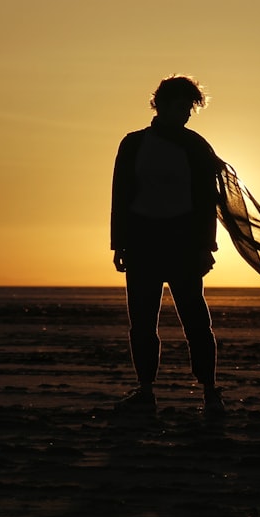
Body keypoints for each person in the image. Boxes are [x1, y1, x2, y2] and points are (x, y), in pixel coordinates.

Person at [110, 75, 224, 418]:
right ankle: (145, 391)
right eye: (183, 107)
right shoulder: (133, 144)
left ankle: (210, 392)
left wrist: (207, 246)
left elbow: (208, 201)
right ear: (162, 105)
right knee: (142, 323)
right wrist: (119, 244)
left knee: (195, 321)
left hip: (184, 245)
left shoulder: (196, 146)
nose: (187, 114)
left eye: (191, 108)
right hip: (143, 243)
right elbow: (122, 195)